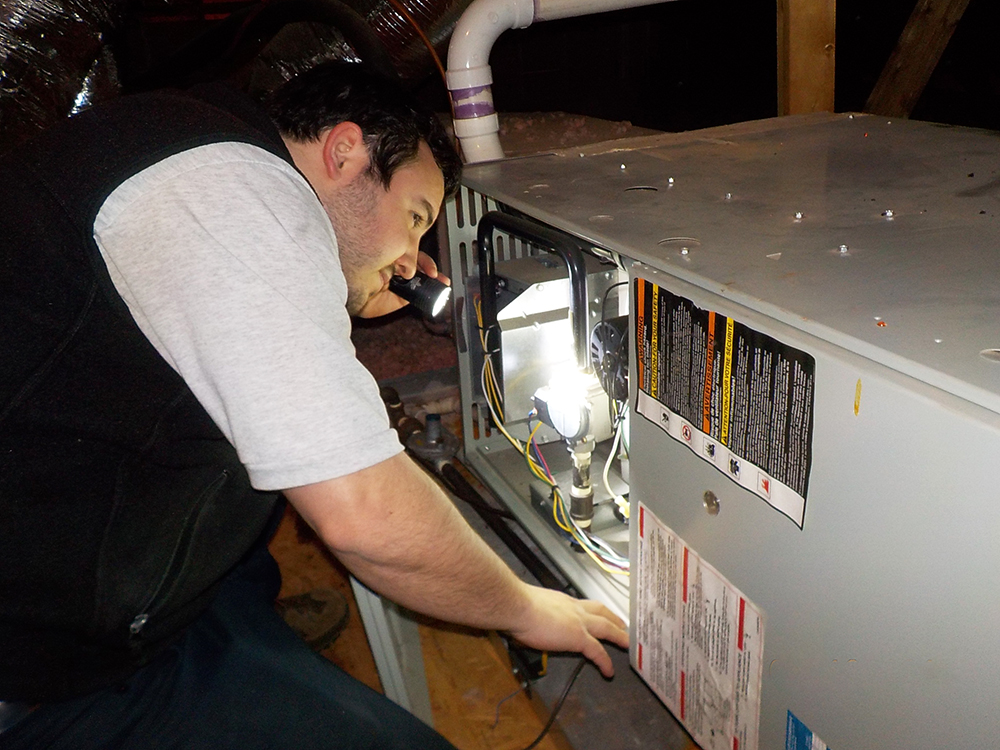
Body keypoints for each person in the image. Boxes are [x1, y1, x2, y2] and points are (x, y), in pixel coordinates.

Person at [0, 61, 628, 748]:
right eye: (416, 218)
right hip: (43, 669)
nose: (413, 258)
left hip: (102, 563)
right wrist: (523, 608)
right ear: (346, 151)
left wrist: (354, 285)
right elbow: (363, 515)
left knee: (250, 566)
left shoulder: (194, 148)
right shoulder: (231, 193)